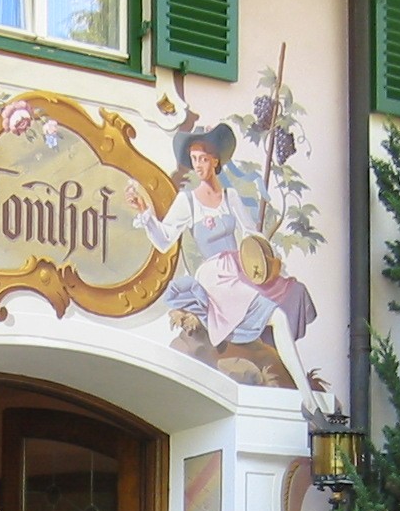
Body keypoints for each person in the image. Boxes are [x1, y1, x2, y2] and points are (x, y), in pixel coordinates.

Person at [125, 123, 329, 413]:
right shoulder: (188, 201)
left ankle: (304, 395)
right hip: (215, 276)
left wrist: (267, 259)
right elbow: (164, 239)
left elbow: (250, 233)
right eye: (194, 159)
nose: (198, 165)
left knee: (287, 301)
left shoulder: (231, 197)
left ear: (215, 160)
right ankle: (307, 397)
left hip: (238, 269)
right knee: (277, 316)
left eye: (203, 158)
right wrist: (146, 214)